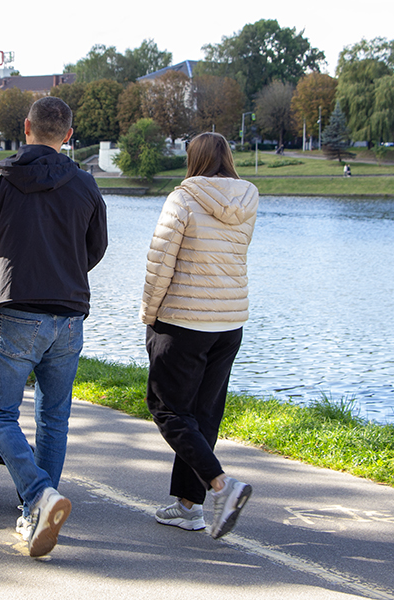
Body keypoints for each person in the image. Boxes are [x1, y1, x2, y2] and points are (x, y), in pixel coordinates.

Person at [0, 96, 108, 557]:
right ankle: (34, 514)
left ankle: (40, 496)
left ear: (26, 128)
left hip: (16, 307)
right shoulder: (85, 184)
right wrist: (65, 271)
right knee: (54, 417)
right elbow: (95, 248)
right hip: (68, 313)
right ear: (68, 135)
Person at [140, 132, 259, 539]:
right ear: (227, 157)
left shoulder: (183, 198)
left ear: (194, 159)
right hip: (229, 322)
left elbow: (160, 263)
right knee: (202, 415)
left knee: (167, 409)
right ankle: (188, 508)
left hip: (185, 320)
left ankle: (222, 485)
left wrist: (149, 315)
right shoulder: (248, 198)